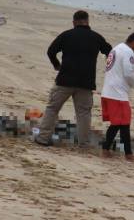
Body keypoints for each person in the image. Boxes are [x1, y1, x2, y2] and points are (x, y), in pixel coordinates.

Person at [35, 10, 112, 146]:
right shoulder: (96, 37)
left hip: (65, 79)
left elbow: (51, 51)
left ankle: (43, 138)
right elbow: (109, 51)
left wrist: (56, 64)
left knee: (53, 108)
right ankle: (83, 143)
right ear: (88, 21)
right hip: (86, 82)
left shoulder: (67, 35)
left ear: (74, 22)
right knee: (83, 113)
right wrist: (108, 66)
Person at [101, 32, 134, 161]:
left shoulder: (116, 48)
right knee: (124, 123)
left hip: (109, 91)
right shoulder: (128, 52)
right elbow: (128, 74)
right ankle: (128, 154)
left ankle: (106, 149)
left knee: (117, 123)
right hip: (117, 94)